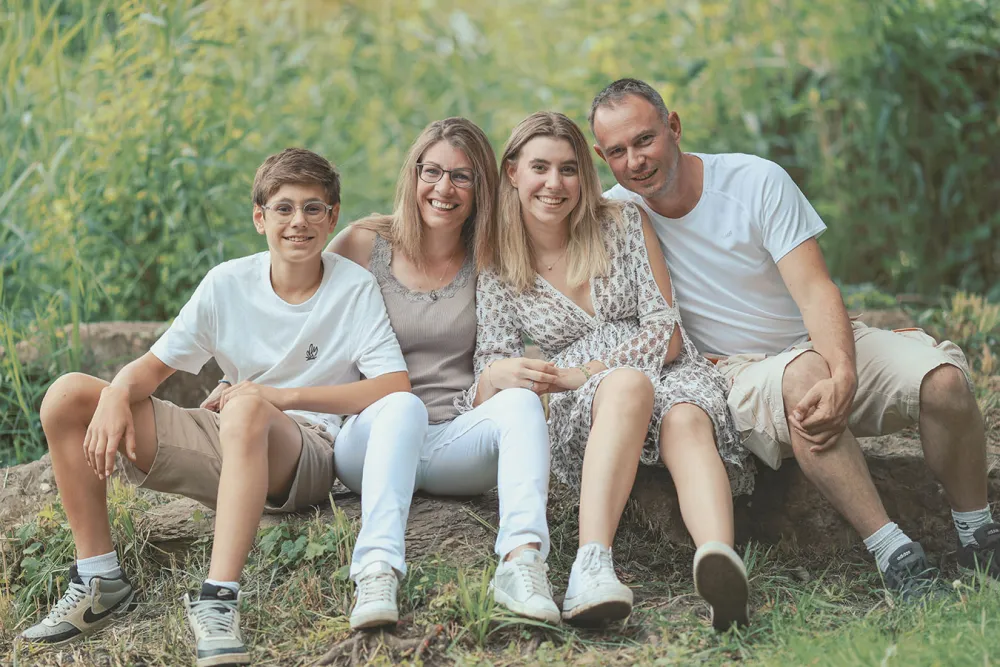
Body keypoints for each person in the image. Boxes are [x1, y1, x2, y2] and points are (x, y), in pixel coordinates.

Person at [590, 77, 999, 599]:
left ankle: (976, 534)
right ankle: (896, 555)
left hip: (816, 340)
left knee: (943, 382)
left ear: (673, 126)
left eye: (644, 139)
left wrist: (843, 369)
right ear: (603, 157)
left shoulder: (754, 181)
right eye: (617, 151)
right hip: (735, 371)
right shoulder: (615, 218)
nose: (635, 161)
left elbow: (815, 289)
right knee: (805, 379)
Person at [20, 148, 415, 666]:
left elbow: (393, 385)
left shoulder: (353, 287)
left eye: (313, 208)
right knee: (68, 395)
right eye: (284, 208)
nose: (298, 221)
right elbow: (152, 368)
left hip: (305, 454)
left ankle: (218, 600)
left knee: (246, 407)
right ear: (260, 218)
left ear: (332, 216)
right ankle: (99, 578)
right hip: (228, 437)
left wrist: (278, 397)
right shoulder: (227, 283)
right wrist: (116, 393)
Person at [469, 111, 755, 630]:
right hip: (584, 401)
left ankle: (720, 566)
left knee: (687, 416)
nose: (555, 183)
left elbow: (666, 329)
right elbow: (491, 361)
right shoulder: (496, 262)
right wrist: (513, 373)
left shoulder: (622, 222)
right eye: (540, 168)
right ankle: (591, 565)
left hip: (667, 367)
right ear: (512, 172)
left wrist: (589, 368)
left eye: (569, 169)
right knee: (625, 385)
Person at [324, 117, 560, 626]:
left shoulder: (490, 258)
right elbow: (302, 316)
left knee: (522, 403)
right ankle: (377, 571)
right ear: (413, 175)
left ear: (481, 189)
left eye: (461, 176)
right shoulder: (364, 243)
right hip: (372, 440)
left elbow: (499, 358)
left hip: (454, 441)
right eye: (431, 171)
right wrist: (245, 378)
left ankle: (521, 563)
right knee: (402, 405)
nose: (443, 188)